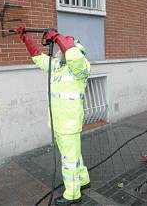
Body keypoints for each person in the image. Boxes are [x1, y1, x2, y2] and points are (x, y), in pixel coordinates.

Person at [15, 26, 91, 206]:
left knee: (69, 161)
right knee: (74, 155)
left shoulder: (81, 66)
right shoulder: (57, 66)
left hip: (69, 124)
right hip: (59, 123)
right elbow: (38, 57)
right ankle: (83, 180)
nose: (60, 51)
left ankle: (73, 194)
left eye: (63, 48)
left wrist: (58, 37)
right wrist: (27, 39)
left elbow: (73, 56)